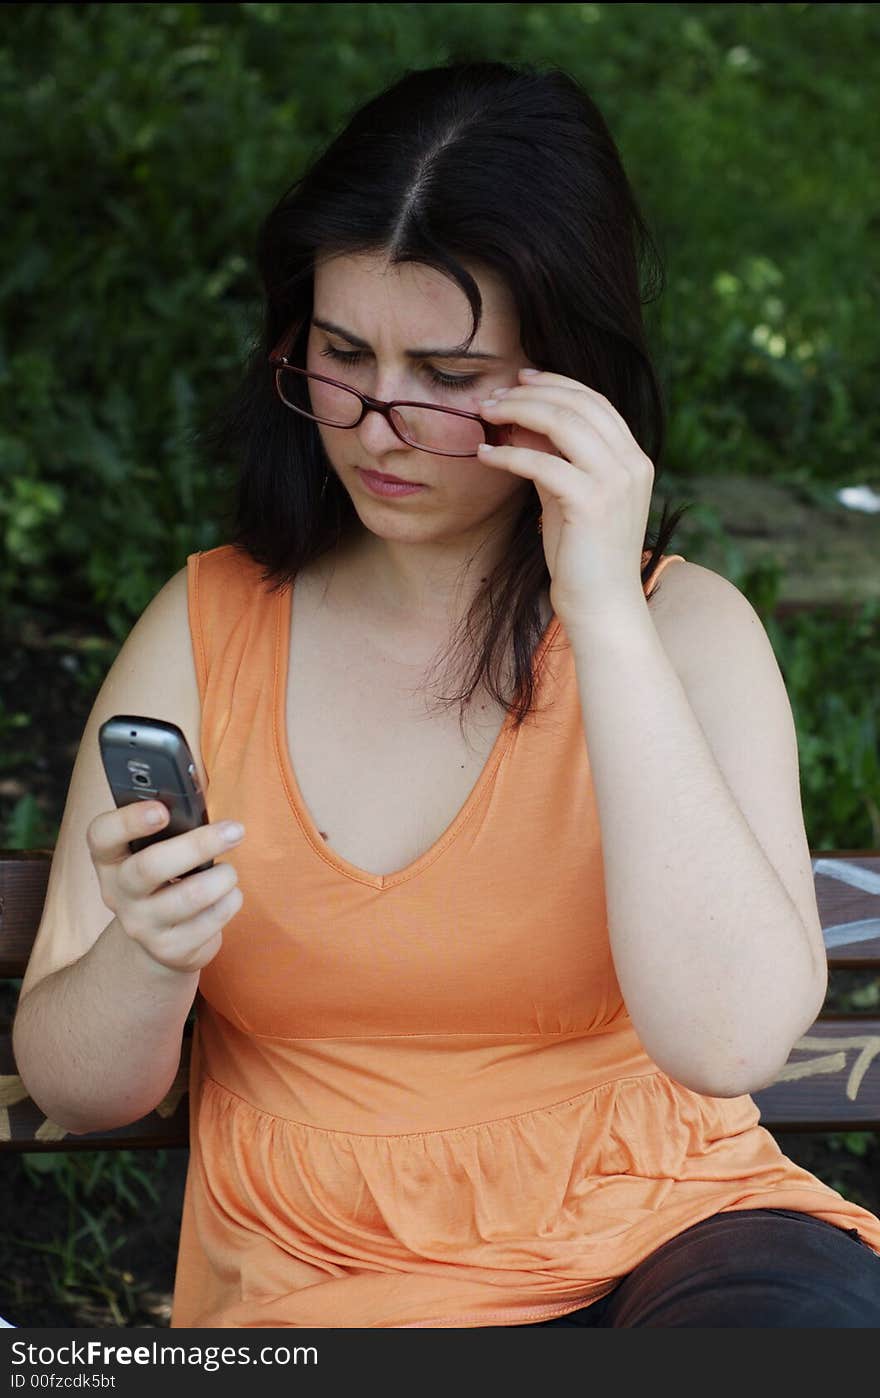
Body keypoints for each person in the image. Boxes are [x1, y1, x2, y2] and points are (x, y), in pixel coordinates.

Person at [13, 59, 880, 1330]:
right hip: (329, 1286)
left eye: (451, 377)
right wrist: (146, 950)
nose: (376, 426)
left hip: (686, 1241)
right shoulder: (207, 627)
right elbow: (80, 1088)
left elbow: (729, 1045)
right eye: (342, 355)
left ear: (565, 377)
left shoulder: (684, 631)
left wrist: (598, 609)